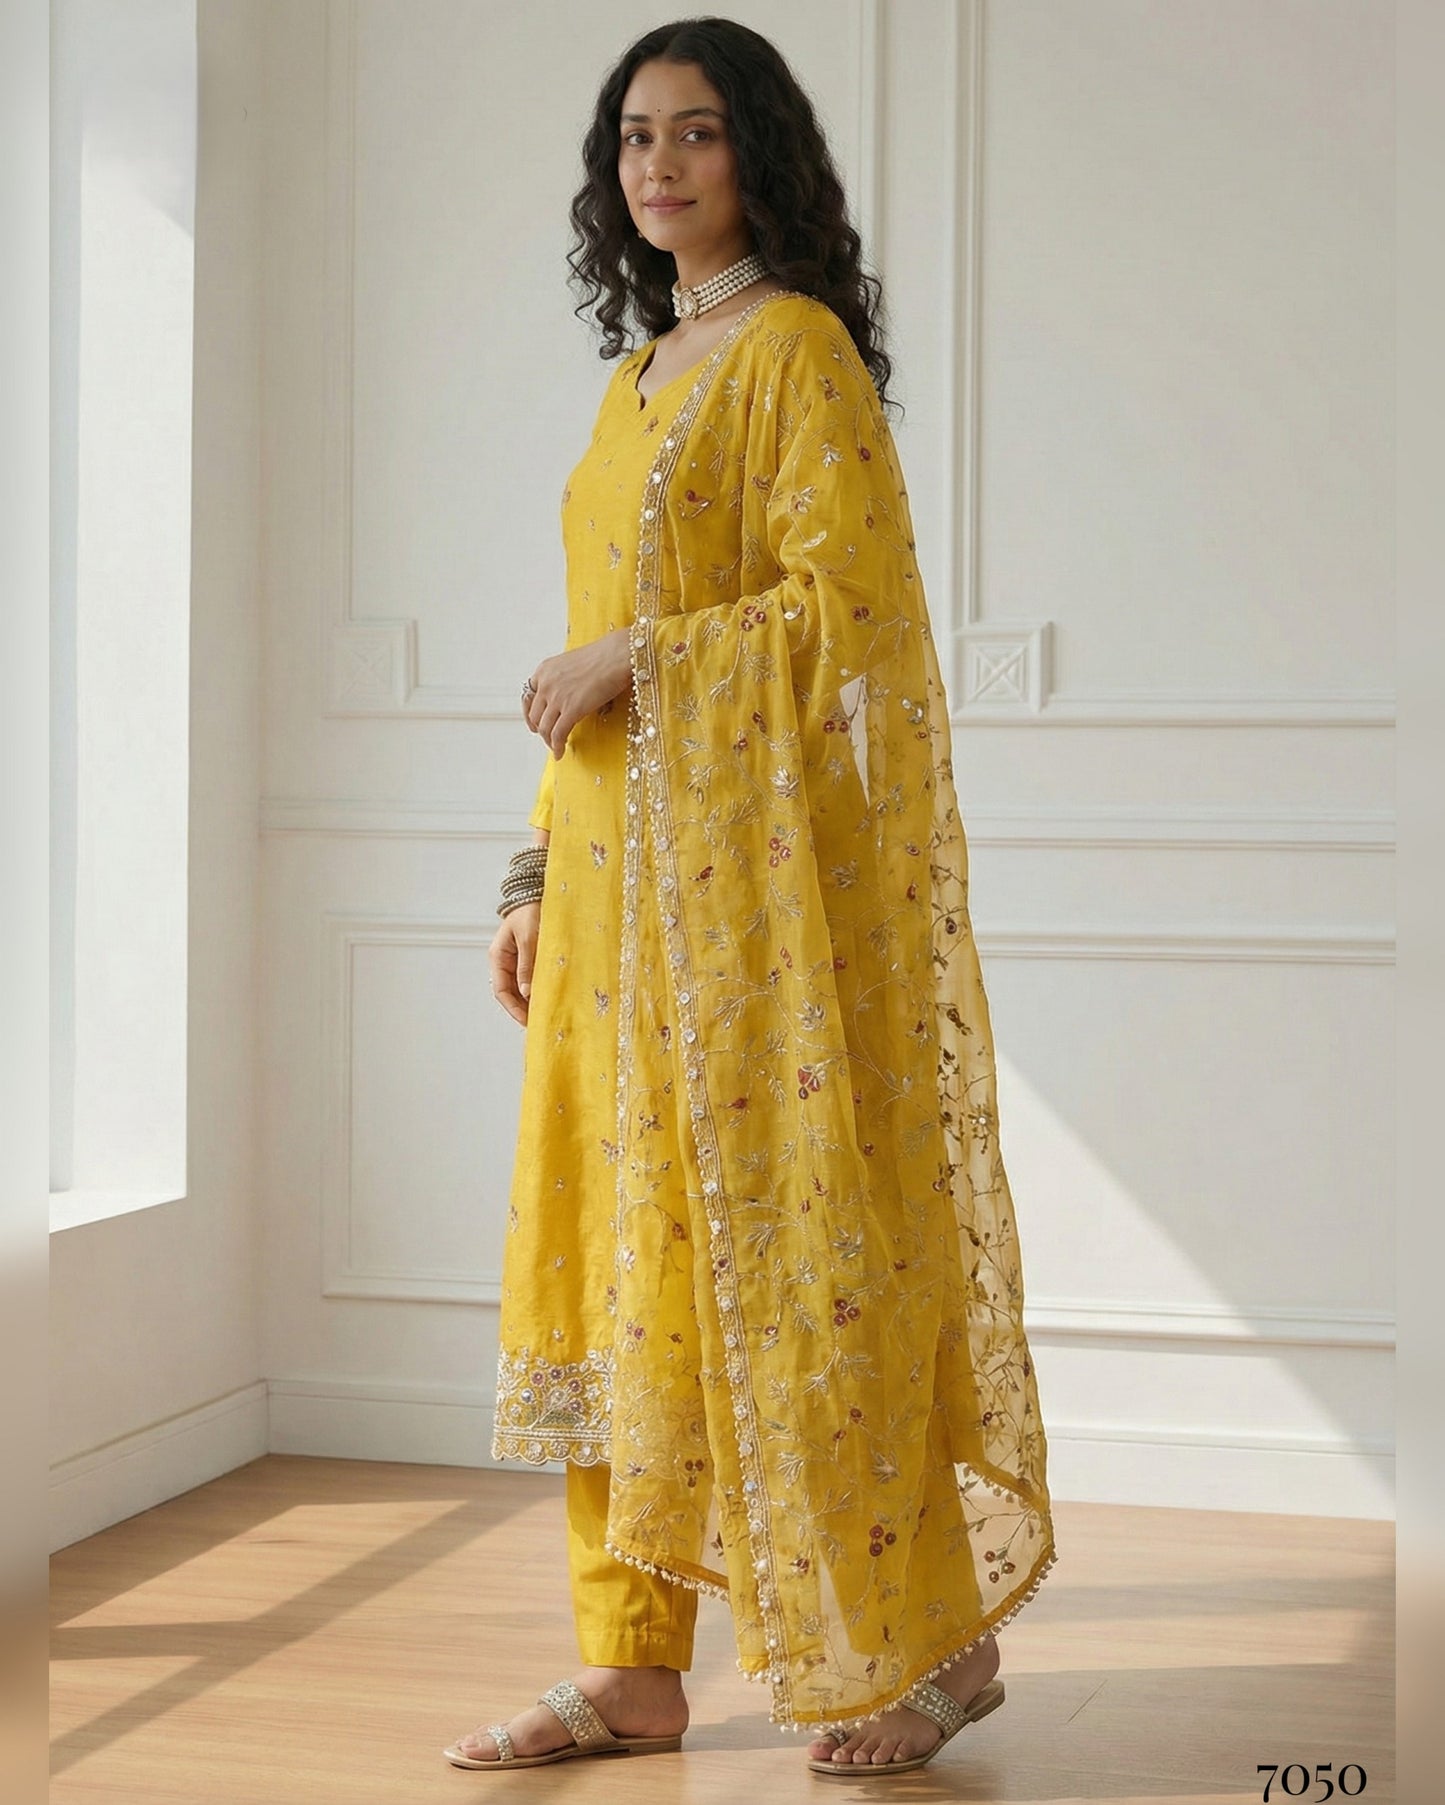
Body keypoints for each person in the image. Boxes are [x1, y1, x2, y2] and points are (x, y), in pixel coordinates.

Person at [450, 16, 1056, 1777]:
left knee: (803, 1266)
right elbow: (587, 670)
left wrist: (643, 654)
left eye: (697, 132)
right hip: (606, 899)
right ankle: (629, 1665)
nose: (659, 163)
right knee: (606, 1275)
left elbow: (845, 617)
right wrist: (532, 875)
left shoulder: (794, 353)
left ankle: (936, 1639)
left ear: (757, 155)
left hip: (747, 914)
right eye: (635, 134)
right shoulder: (635, 377)